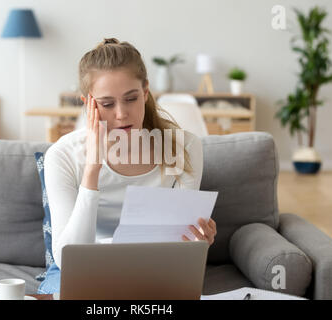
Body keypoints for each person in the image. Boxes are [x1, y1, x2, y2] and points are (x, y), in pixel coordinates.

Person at [37, 38, 217, 294]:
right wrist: (93, 168)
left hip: (153, 268)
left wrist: (198, 243)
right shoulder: (63, 155)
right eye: (107, 104)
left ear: (145, 92)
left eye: (131, 99)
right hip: (81, 270)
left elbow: (179, 248)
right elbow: (68, 260)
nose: (121, 113)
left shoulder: (185, 147)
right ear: (89, 104)